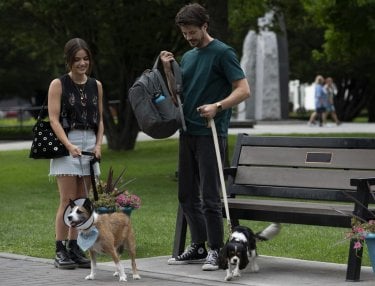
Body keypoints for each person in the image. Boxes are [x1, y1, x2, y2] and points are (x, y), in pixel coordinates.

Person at [160, 3, 250, 271]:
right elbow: (177, 96)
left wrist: (217, 106)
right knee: (186, 194)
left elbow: (243, 90)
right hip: (187, 132)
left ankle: (215, 249)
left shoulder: (223, 53)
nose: (189, 38)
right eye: (185, 33)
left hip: (211, 132)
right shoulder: (187, 58)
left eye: (192, 32)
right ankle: (198, 245)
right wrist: (167, 70)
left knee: (210, 195)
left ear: (205, 26)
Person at [48, 38, 104, 269]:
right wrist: (69, 146)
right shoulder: (58, 84)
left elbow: (100, 119)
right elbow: (53, 119)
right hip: (67, 143)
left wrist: (99, 144)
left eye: (85, 59)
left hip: (90, 142)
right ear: (69, 60)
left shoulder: (96, 85)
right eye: (77, 59)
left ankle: (74, 247)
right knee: (67, 200)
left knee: (82, 201)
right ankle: (60, 249)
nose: (82, 63)